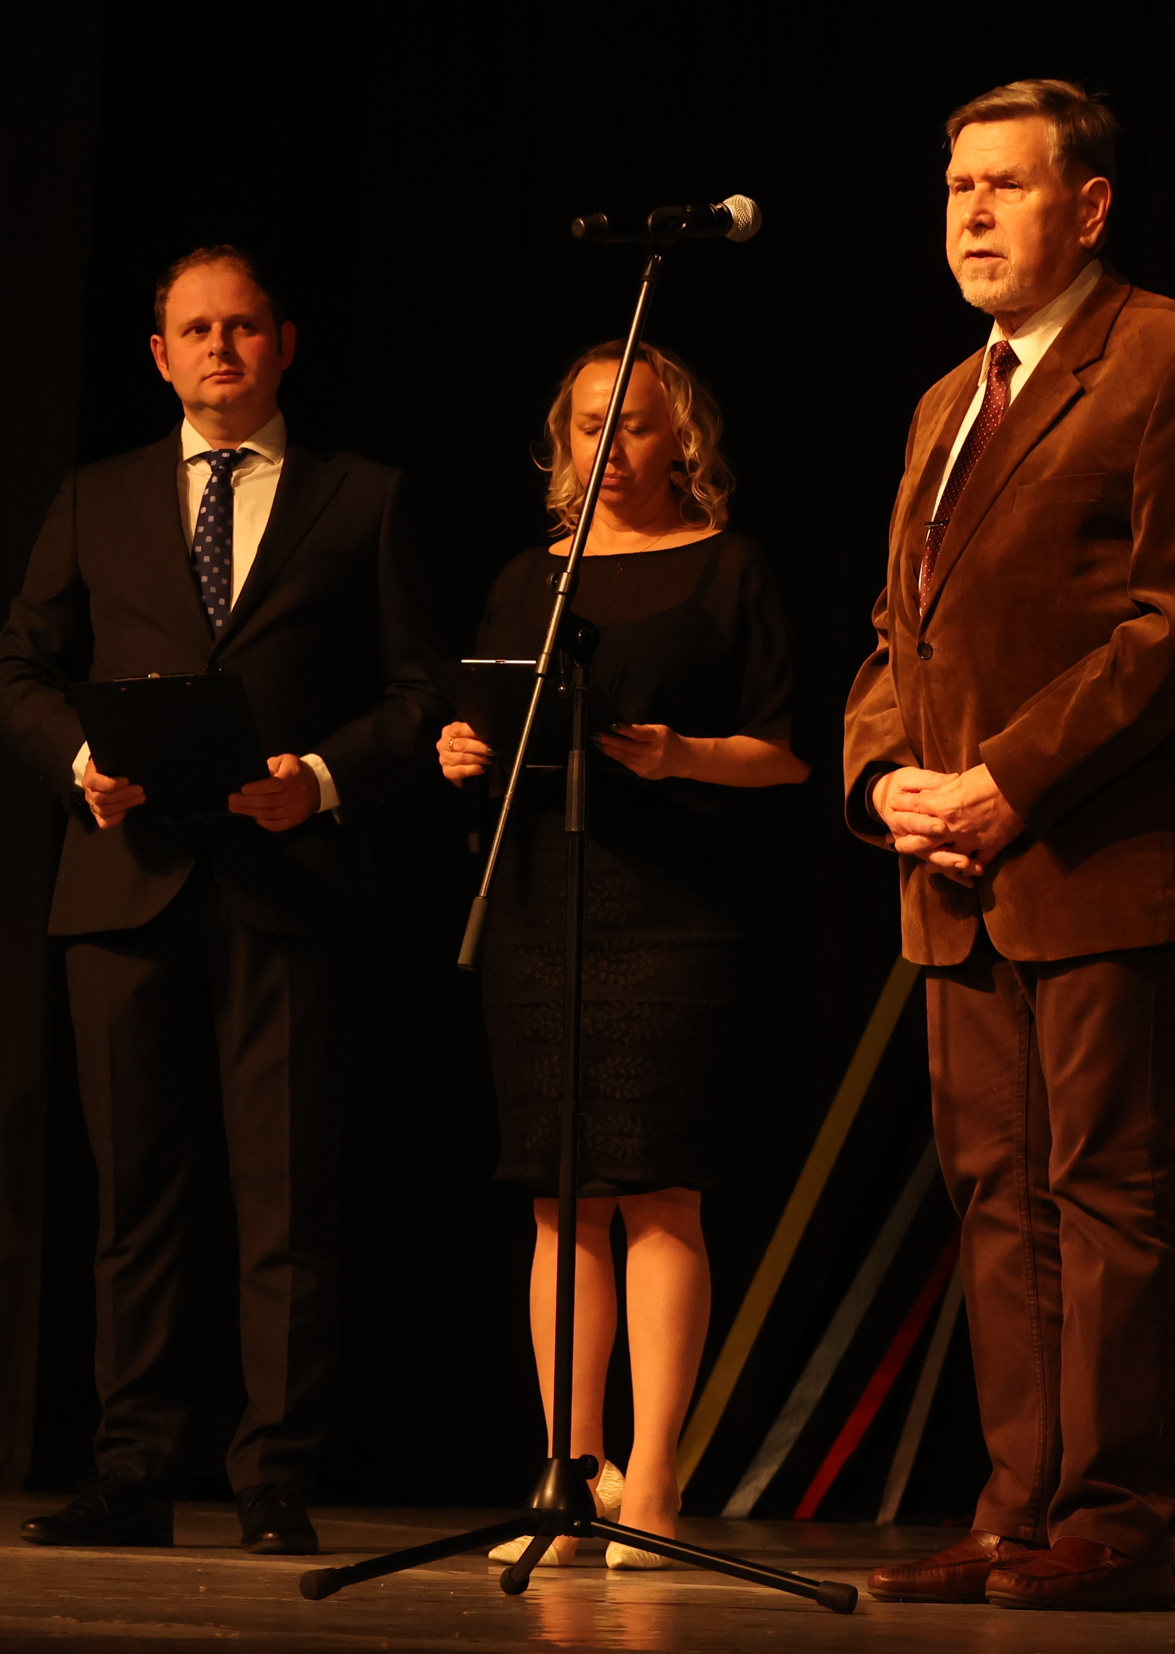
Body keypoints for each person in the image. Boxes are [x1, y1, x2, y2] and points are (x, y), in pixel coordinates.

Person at [842, 81, 1175, 1611]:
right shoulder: (943, 404)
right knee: (993, 1193)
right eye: (957, 187)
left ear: (1088, 207)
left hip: (1103, 857)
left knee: (1104, 1189)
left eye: (1004, 186)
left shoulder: (1171, 361)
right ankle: (1015, 1512)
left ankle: (1115, 1519)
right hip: (956, 867)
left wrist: (1008, 781)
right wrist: (888, 776)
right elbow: (897, 629)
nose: (970, 214)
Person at [0, 245, 444, 1556]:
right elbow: (18, 673)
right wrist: (82, 763)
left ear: (284, 344)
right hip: (124, 886)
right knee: (135, 1200)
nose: (220, 350)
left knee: (285, 1200)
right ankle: (130, 1472)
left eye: (242, 327)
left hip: (284, 887)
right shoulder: (99, 495)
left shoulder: (365, 496)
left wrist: (323, 778)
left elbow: (420, 693)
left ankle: (273, 1478)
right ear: (159, 354)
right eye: (196, 330)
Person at [437, 342, 807, 1568]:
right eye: (591, 424)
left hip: (675, 910)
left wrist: (679, 754)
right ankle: (569, 1472)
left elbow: (785, 753)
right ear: (563, 440)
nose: (610, 447)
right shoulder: (527, 579)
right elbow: (490, 717)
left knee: (658, 1188)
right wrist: (461, 749)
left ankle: (652, 1481)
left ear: (679, 441)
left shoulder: (729, 567)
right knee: (559, 1195)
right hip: (541, 904)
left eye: (635, 425)